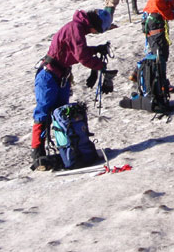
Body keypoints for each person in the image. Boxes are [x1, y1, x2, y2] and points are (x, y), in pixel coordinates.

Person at [31, 9, 114, 168]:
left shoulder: (77, 28)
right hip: (48, 76)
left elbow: (76, 50)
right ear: (95, 25)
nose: (95, 33)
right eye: (97, 31)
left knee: (59, 113)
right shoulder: (76, 28)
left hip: (59, 76)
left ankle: (67, 149)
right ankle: (37, 152)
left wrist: (96, 50)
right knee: (44, 111)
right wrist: (99, 65)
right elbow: (82, 56)